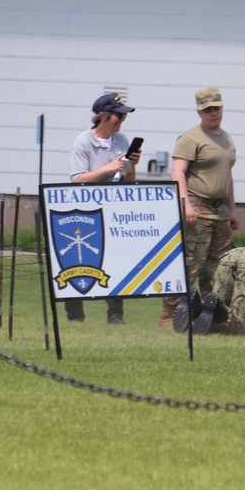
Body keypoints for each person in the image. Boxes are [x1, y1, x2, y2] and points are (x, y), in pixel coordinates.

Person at [157, 87, 239, 328]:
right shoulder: (190, 138)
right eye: (208, 110)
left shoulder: (226, 138)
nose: (214, 114)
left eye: (217, 108)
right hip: (197, 206)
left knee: (217, 267)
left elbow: (228, 177)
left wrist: (232, 210)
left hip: (219, 211)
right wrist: (185, 205)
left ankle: (211, 315)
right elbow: (177, 173)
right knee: (191, 262)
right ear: (199, 112)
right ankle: (169, 315)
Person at [64, 92, 141, 325]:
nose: (122, 120)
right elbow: (77, 180)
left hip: (113, 209)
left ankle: (116, 315)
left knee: (116, 261)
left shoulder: (122, 140)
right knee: (78, 263)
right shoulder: (83, 141)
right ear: (104, 116)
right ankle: (75, 316)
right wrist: (109, 167)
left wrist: (131, 166)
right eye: (119, 116)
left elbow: (128, 181)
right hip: (83, 212)